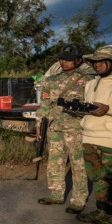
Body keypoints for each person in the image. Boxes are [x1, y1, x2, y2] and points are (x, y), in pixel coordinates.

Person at [35, 44, 93, 214]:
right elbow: (45, 105)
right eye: (62, 58)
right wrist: (39, 123)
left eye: (68, 59)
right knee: (55, 162)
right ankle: (56, 194)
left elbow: (92, 105)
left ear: (78, 60)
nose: (64, 62)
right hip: (55, 127)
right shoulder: (51, 80)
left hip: (76, 129)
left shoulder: (88, 81)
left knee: (78, 165)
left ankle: (78, 199)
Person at [76, 45, 112, 224]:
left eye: (101, 61)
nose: (97, 65)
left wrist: (108, 109)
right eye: (94, 61)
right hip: (89, 137)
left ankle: (110, 214)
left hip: (109, 138)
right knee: (97, 177)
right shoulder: (90, 84)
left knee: (110, 178)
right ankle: (102, 210)